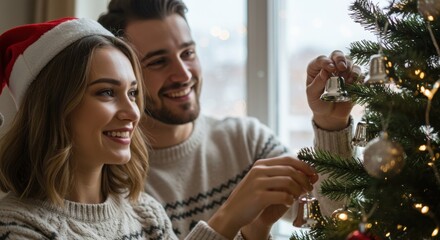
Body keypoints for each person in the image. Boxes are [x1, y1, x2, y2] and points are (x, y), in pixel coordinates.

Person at [98, 0, 358, 239]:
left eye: (187, 53)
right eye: (158, 61)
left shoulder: (246, 141)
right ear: (123, 73)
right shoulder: (109, 176)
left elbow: (335, 219)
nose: (183, 73)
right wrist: (230, 217)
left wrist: (331, 125)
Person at [0, 17, 255, 239]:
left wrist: (256, 229)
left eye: (132, 93)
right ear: (52, 107)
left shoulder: (145, 212)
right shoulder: (15, 226)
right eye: (107, 92)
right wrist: (225, 221)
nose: (133, 112)